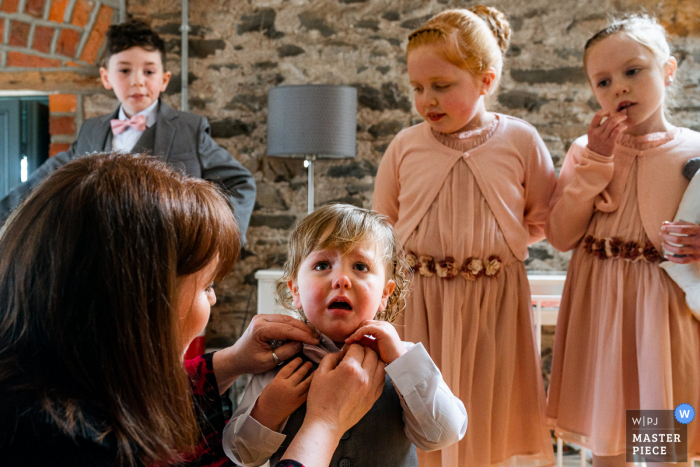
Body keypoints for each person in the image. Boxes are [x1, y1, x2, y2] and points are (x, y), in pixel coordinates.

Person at [0, 153, 385, 467]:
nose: (213, 301)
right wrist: (324, 425)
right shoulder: (68, 445)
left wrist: (230, 362)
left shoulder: (51, 380)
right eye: (206, 286)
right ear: (141, 300)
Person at [372, 6, 556, 467]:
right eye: (417, 88)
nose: (426, 100)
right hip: (421, 302)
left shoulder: (520, 140)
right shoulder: (405, 146)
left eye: (441, 86)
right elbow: (383, 221)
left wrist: (487, 256)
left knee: (486, 405)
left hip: (493, 301)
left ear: (485, 81)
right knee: (417, 406)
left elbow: (540, 217)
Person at [545, 15, 700, 465]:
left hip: (661, 308)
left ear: (668, 72)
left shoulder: (693, 151)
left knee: (659, 439)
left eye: (634, 71)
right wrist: (596, 161)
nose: (620, 88)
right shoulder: (585, 149)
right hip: (601, 303)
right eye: (604, 81)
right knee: (606, 437)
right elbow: (560, 234)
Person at [223, 204, 467, 467]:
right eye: (322, 265)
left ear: (385, 293)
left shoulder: (404, 360)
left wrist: (403, 365)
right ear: (295, 290)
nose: (341, 279)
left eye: (360, 266)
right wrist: (267, 411)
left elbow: (444, 435)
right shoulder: (279, 363)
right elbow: (240, 456)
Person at [0, 19, 256, 244]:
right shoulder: (91, 129)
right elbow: (45, 180)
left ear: (164, 79)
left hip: (172, 260)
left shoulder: (191, 128)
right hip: (101, 261)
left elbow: (240, 183)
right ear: (106, 77)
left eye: (148, 71)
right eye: (124, 70)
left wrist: (213, 241)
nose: (137, 81)